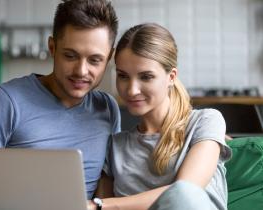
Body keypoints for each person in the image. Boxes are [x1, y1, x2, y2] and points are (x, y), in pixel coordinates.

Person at [0, 0, 120, 209]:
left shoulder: (107, 108)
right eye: (70, 56)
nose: (81, 70)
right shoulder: (6, 100)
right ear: (52, 48)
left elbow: (105, 191)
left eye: (95, 60)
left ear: (109, 58)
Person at [88, 23, 232, 210]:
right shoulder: (114, 147)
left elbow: (186, 193)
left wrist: (102, 205)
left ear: (171, 77)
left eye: (146, 77)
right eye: (123, 76)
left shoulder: (205, 122)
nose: (132, 90)